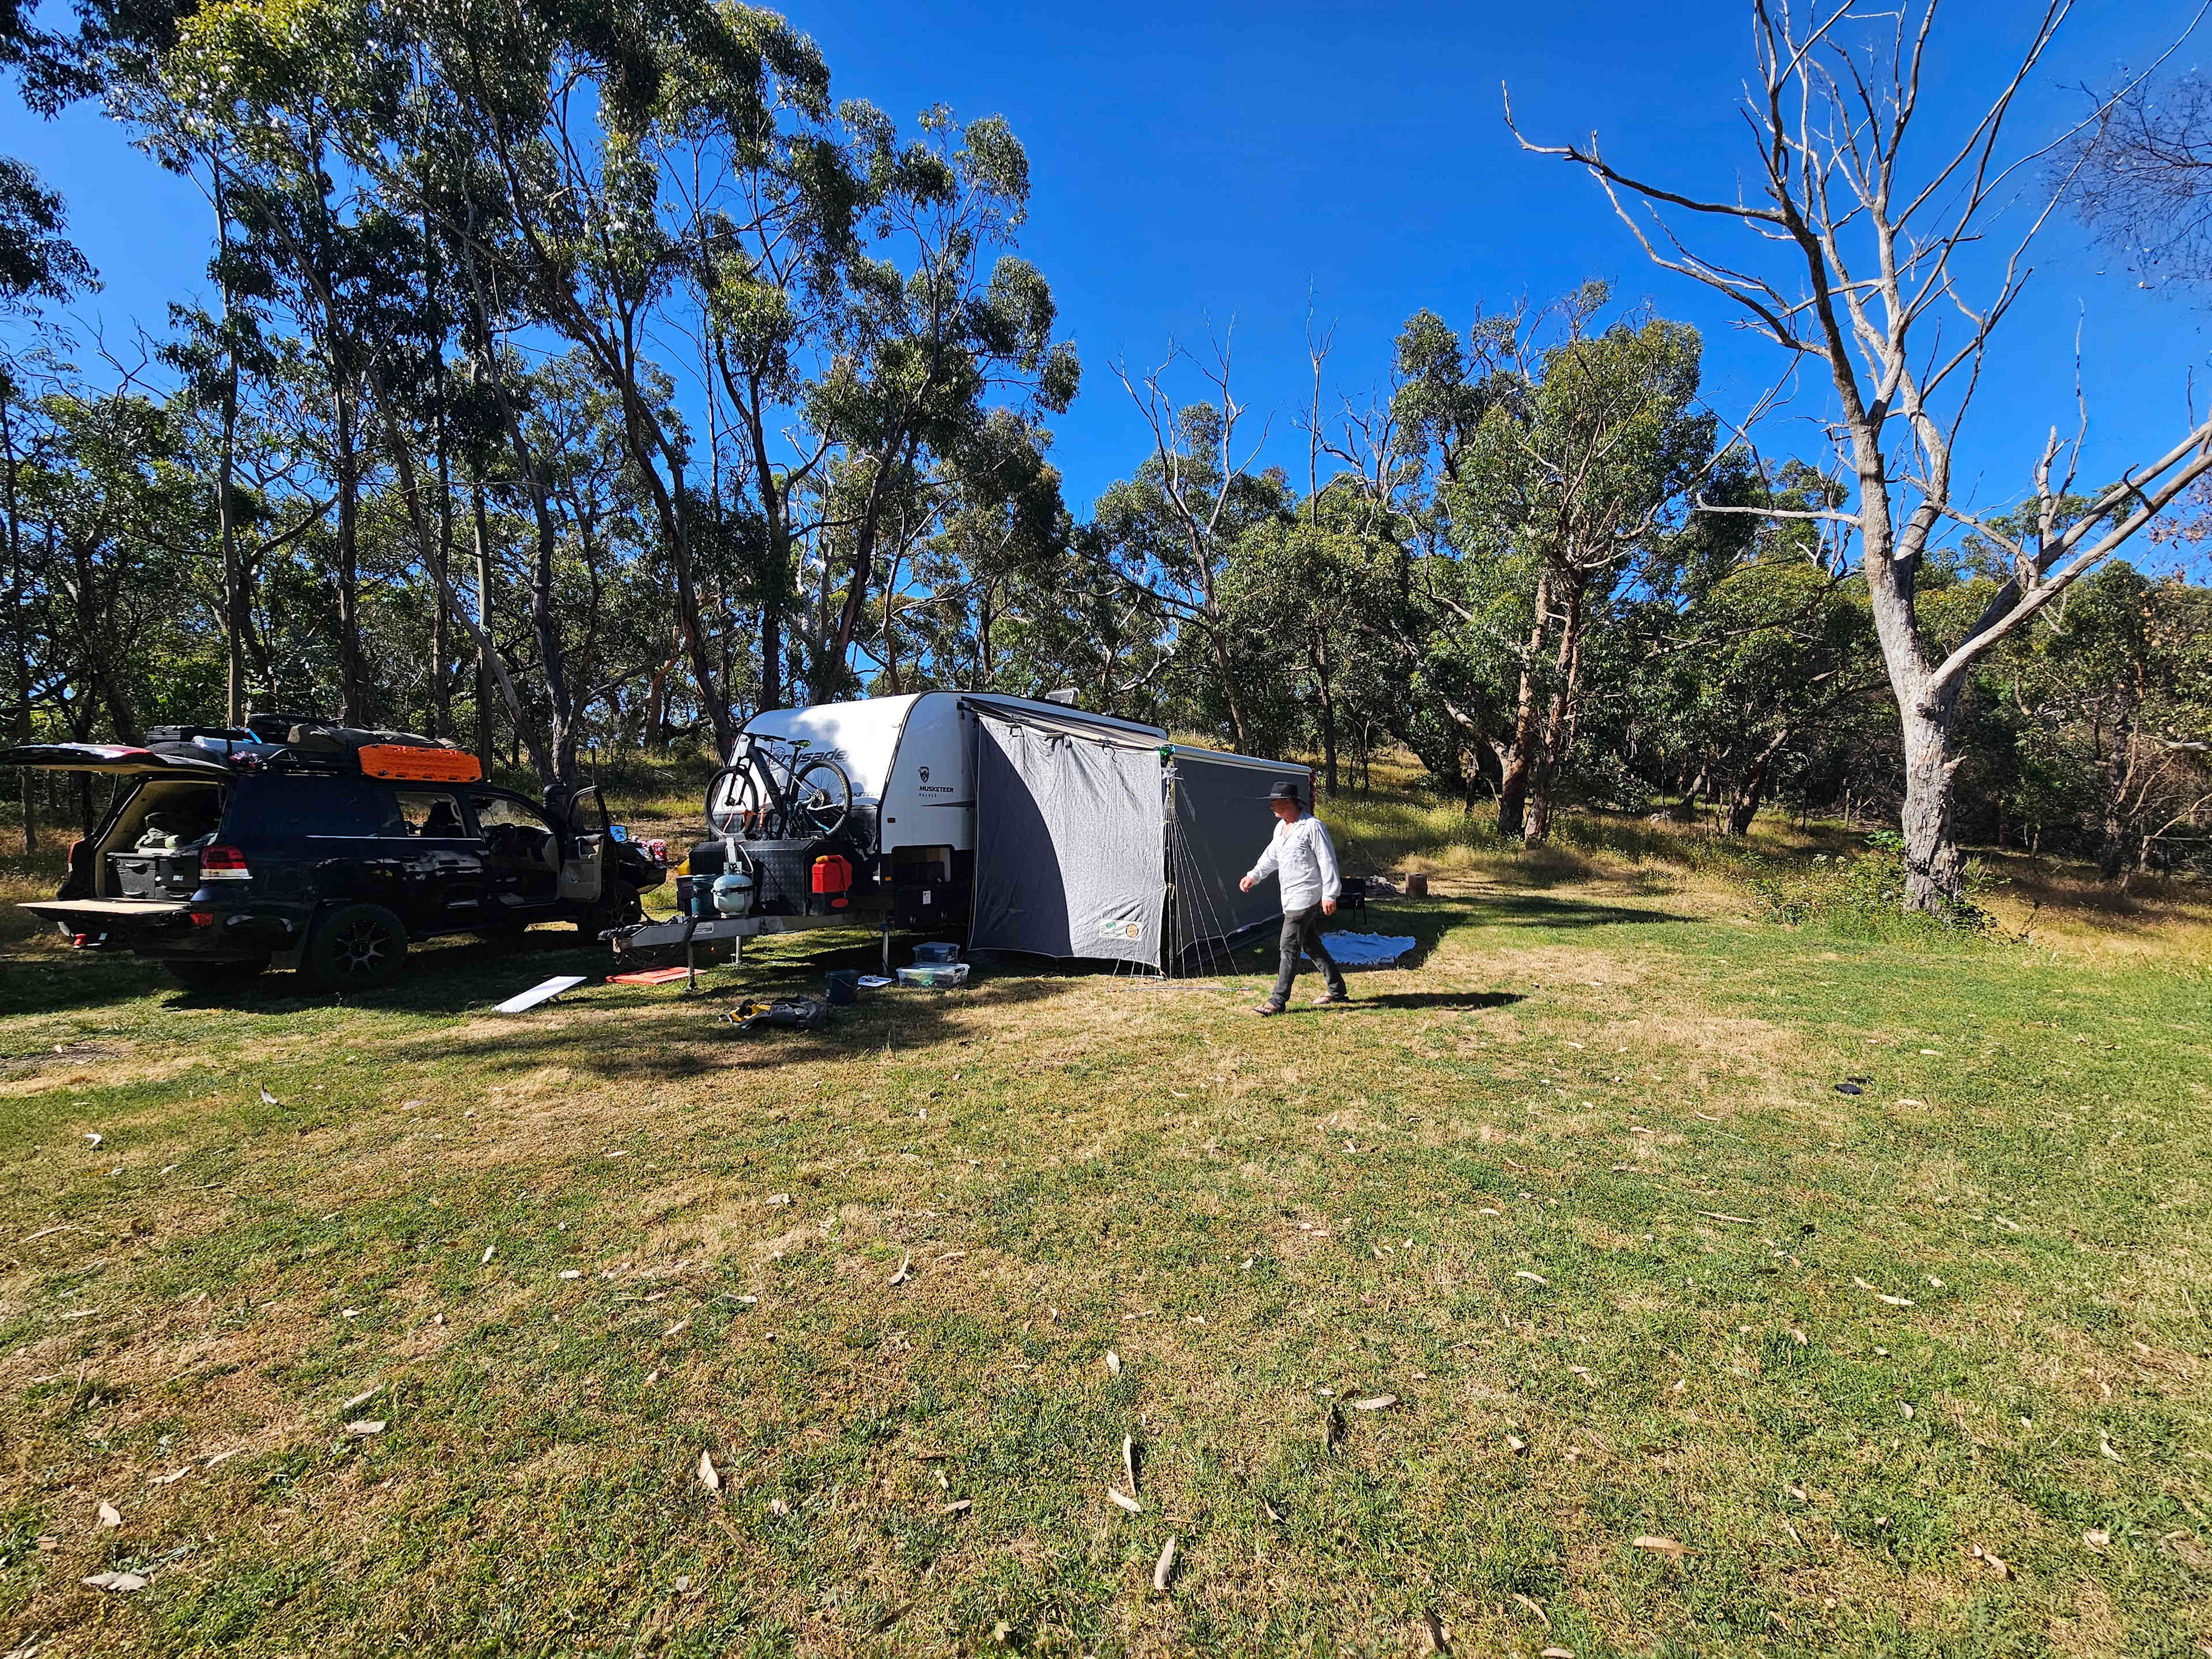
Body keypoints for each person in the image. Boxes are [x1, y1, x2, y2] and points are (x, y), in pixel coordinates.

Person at [1239, 778, 1349, 1016]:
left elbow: (1327, 860)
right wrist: (1253, 876)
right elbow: (1271, 857)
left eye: (1275, 802)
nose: (1271, 806)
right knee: (1310, 943)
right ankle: (1337, 988)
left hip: (1307, 896)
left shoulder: (1312, 827)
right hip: (1289, 896)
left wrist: (1330, 894)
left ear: (1289, 802)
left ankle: (1277, 1001)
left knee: (1288, 945)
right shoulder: (1281, 828)